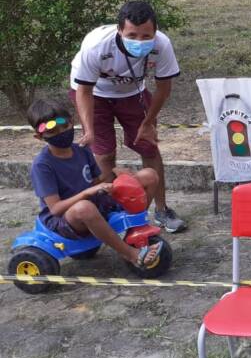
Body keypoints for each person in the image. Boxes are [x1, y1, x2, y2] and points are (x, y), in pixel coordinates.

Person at [69, 0, 186, 232]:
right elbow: (83, 91)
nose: (139, 41)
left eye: (146, 36)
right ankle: (109, 211)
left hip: (133, 92)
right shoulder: (96, 45)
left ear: (155, 32)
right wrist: (89, 130)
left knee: (149, 147)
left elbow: (163, 88)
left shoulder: (162, 44)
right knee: (104, 153)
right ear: (119, 30)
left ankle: (161, 210)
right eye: (132, 35)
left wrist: (149, 122)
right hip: (95, 93)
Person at [27, 99, 163, 268]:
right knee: (84, 207)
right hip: (66, 219)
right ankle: (130, 254)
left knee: (149, 175)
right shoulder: (42, 165)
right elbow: (55, 209)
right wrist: (87, 193)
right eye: (52, 131)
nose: (61, 133)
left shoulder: (82, 150)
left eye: (64, 127)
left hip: (95, 202)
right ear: (39, 137)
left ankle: (133, 230)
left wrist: (114, 173)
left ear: (72, 123)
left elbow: (96, 182)